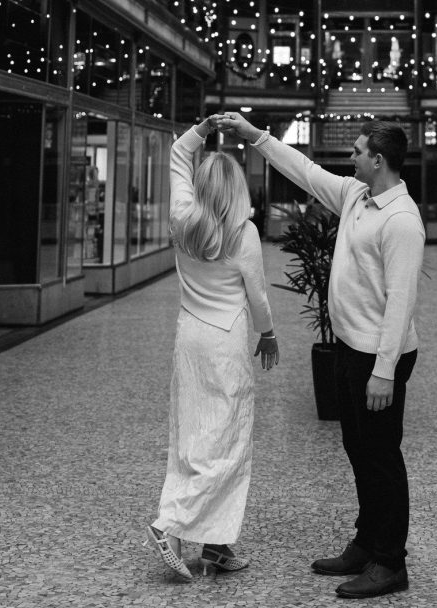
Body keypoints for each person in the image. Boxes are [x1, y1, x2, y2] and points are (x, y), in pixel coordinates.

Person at [216, 111, 424, 600]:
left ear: (378, 159)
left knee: (381, 458)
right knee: (358, 449)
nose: (350, 156)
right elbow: (305, 171)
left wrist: (384, 372)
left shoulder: (401, 220)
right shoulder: (356, 194)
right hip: (351, 348)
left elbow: (401, 302)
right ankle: (367, 542)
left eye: (358, 151)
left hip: (380, 357)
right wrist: (255, 136)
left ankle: (390, 562)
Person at [145, 114, 279, 582]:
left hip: (189, 338)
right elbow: (257, 295)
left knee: (191, 437)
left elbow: (177, 155)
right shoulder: (243, 232)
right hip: (225, 344)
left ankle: (217, 545)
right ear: (237, 189)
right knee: (227, 444)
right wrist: (268, 333)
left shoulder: (184, 215)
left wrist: (201, 129)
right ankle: (169, 525)